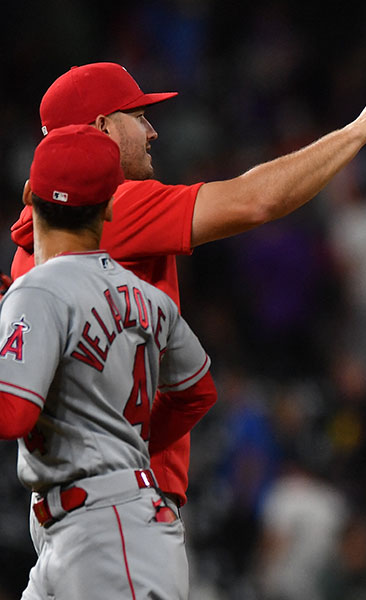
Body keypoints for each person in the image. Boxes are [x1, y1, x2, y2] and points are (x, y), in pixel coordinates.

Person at [8, 56, 366, 507]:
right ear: (104, 127)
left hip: (62, 493)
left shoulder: (33, 245)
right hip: (123, 494)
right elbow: (257, 201)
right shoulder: (111, 209)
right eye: (140, 116)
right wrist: (358, 130)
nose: (152, 132)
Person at [0, 124, 217, 599]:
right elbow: (198, 392)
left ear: (28, 195)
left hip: (108, 535)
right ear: (112, 205)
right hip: (100, 527)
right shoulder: (148, 297)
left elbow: (12, 414)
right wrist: (129, 443)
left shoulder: (36, 289)